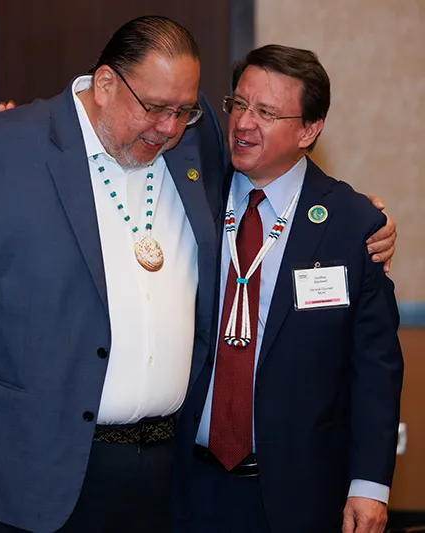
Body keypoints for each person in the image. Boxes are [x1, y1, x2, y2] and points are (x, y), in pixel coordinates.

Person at [0, 15, 397, 533]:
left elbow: (281, 183)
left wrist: (360, 219)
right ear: (105, 85)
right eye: (157, 108)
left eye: (184, 111)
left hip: (162, 474)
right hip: (31, 464)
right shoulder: (2, 149)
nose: (168, 127)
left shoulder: (194, 144)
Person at [173, 45, 404, 533]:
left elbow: (375, 369)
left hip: (299, 493)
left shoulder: (351, 223)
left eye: (266, 112)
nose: (243, 123)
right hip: (183, 481)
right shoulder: (191, 195)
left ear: (309, 130)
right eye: (238, 104)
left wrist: (369, 486)